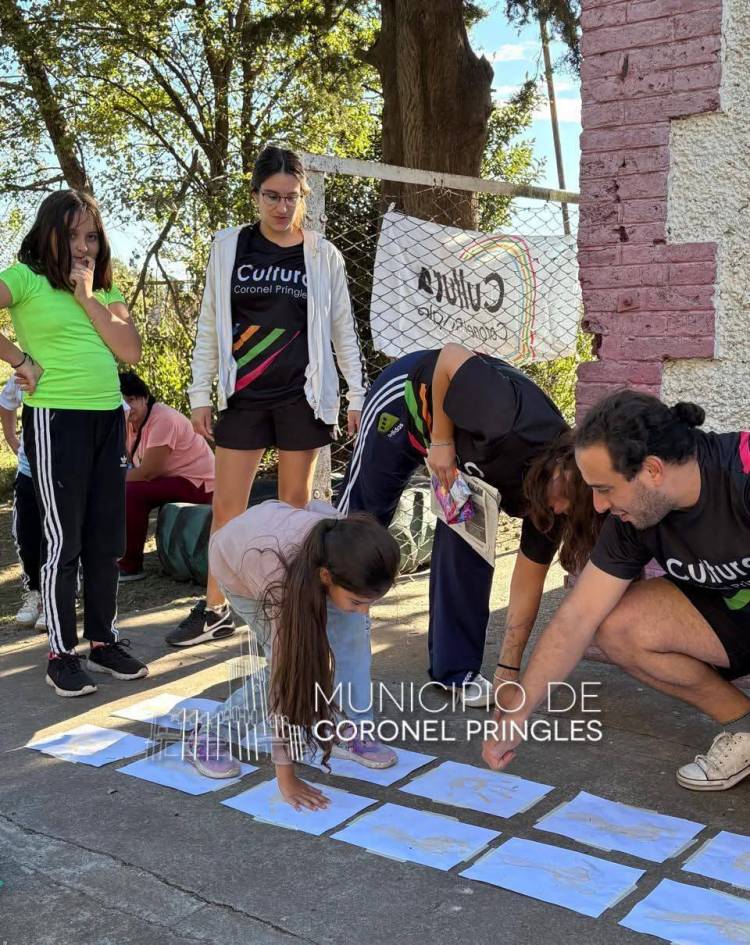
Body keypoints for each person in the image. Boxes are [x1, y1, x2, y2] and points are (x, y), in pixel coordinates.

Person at [482, 391, 750, 793]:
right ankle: (745, 728)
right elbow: (577, 617)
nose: (598, 505)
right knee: (614, 624)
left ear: (653, 470)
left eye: (604, 488)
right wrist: (519, 714)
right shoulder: (633, 518)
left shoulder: (741, 474)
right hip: (731, 614)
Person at [168, 145, 367, 647]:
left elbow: (343, 329)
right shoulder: (230, 247)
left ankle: (286, 606)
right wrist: (200, 393)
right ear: (255, 195)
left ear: (304, 196)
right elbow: (211, 323)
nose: (282, 207)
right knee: (227, 508)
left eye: (292, 197)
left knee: (291, 508)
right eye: (272, 196)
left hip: (301, 398)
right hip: (244, 397)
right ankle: (215, 607)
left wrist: (355, 394)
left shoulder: (323, 255)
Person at [337, 343, 601, 706]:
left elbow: (528, 581)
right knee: (359, 527)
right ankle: (326, 638)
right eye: (562, 495)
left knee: (469, 545)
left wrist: (508, 670)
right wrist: (442, 440)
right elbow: (450, 358)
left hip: (467, 465)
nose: (557, 507)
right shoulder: (505, 417)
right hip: (410, 401)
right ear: (562, 462)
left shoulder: (557, 504)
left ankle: (455, 672)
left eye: (567, 510)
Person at [0, 189, 148, 697]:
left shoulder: (106, 295)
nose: (83, 247)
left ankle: (103, 642)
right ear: (49, 236)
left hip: (107, 421)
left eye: (92, 237)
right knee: (63, 540)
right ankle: (61, 653)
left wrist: (88, 298)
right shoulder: (26, 280)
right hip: (56, 420)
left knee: (106, 540)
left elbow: (128, 350)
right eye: (72, 236)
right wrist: (20, 362)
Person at [183, 499, 401, 811]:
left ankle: (347, 727)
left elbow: (314, 507)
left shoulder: (345, 545)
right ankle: (210, 735)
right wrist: (286, 778)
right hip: (239, 566)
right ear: (326, 577)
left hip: (289, 549)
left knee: (353, 636)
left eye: (372, 601)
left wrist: (353, 605)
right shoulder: (276, 580)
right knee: (292, 665)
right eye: (358, 601)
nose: (366, 611)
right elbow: (284, 679)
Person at [118, 371, 215, 581]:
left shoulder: (163, 418)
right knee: (116, 489)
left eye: (132, 399)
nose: (128, 406)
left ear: (144, 397)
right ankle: (112, 556)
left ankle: (130, 565)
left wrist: (108, 480)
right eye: (122, 401)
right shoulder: (126, 422)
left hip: (199, 482)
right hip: (174, 480)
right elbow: (123, 462)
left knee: (130, 491)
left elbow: (148, 472)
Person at [0, 375, 45, 630]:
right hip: (29, 471)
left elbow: (121, 410)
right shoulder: (22, 372)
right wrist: (12, 438)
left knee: (59, 536)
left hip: (65, 472)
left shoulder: (76, 364)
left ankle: (57, 600)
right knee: (26, 536)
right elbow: (6, 402)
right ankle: (34, 594)